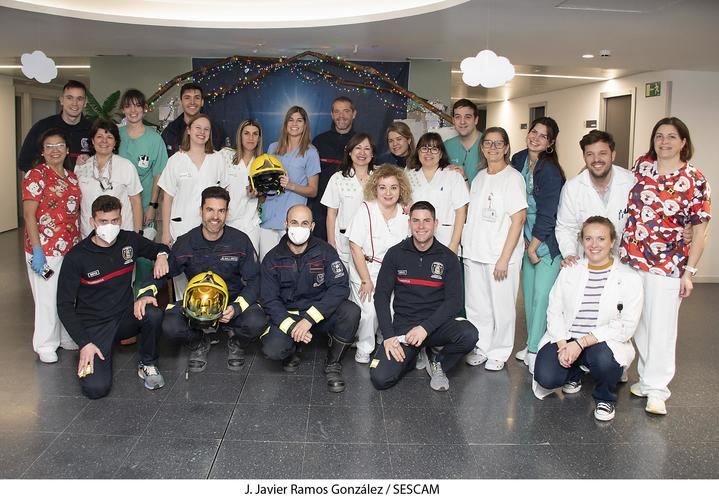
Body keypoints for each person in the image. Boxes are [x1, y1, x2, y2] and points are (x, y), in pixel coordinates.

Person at [620, 117, 711, 415]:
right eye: (659, 136)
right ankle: (646, 380)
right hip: (633, 258)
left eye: (672, 136)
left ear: (683, 142)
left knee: (662, 326)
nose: (664, 142)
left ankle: (658, 389)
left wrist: (690, 272)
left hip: (669, 263)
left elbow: (700, 231)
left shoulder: (695, 179)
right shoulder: (641, 167)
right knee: (640, 322)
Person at [57, 195, 170, 399]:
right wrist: (84, 342)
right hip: (94, 327)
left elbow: (159, 248)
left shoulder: (129, 241)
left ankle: (148, 364)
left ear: (121, 219)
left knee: (153, 313)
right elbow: (64, 306)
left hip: (125, 316)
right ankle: (89, 353)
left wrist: (162, 257)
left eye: (114, 221)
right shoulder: (76, 257)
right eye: (103, 221)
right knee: (96, 389)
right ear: (92, 222)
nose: (110, 226)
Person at [142, 187, 266, 372]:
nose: (215, 216)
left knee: (257, 320)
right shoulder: (185, 242)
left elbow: (255, 280)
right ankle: (198, 342)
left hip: (231, 304)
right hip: (195, 307)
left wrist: (238, 307)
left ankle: (237, 342)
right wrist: (146, 292)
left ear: (227, 213)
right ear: (201, 211)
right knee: (169, 325)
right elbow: (163, 272)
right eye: (210, 210)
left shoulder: (240, 241)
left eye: (221, 210)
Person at [533, 217, 643, 422]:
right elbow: (554, 309)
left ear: (612, 242)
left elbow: (626, 326)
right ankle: (574, 373)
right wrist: (563, 345)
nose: (594, 245)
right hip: (568, 337)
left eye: (601, 238)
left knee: (604, 361)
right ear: (582, 241)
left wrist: (581, 343)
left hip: (601, 341)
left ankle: (605, 398)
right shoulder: (570, 271)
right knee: (546, 377)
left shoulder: (628, 277)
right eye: (588, 238)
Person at [370, 201, 478, 392]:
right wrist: (388, 336)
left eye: (426, 221)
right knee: (380, 378)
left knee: (469, 334)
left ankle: (439, 363)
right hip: (405, 327)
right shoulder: (395, 254)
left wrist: (425, 328)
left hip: (436, 326)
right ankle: (413, 355)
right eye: (416, 221)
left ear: (435, 224)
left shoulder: (448, 257)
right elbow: (381, 296)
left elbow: (454, 302)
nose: (421, 226)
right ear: (409, 223)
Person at [260, 205, 360, 393]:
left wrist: (310, 318)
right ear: (286, 224)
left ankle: (333, 363)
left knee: (351, 311)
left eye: (304, 223)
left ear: (312, 226)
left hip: (318, 314)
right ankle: (292, 348)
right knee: (273, 350)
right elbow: (269, 300)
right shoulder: (272, 258)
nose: (299, 228)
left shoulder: (325, 251)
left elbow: (339, 287)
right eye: (294, 223)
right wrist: (290, 326)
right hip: (289, 315)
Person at [463, 127, 527, 371]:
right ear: (482, 147)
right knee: (477, 306)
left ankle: (499, 352)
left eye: (498, 143)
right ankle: (482, 346)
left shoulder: (513, 178)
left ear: (507, 147)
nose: (492, 148)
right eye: (488, 143)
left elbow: (518, 220)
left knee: (502, 308)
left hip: (500, 257)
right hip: (474, 252)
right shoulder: (479, 177)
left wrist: (504, 258)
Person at [511, 117, 566, 373]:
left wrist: (533, 247)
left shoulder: (550, 170)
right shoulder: (519, 159)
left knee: (543, 298)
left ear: (551, 143)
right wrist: (521, 238)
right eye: (534, 132)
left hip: (545, 242)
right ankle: (532, 343)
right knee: (530, 297)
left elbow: (548, 214)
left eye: (543, 136)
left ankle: (536, 350)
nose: (536, 138)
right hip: (524, 236)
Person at [23, 128, 82, 363]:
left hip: (70, 247)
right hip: (44, 250)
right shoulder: (36, 175)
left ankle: (66, 336)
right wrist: (37, 251)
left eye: (59, 146)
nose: (54, 150)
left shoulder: (71, 177)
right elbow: (29, 215)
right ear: (42, 151)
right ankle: (45, 343)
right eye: (49, 146)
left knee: (67, 295)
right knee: (47, 297)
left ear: (67, 150)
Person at [346, 165, 411, 363]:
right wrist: (366, 279)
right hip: (366, 268)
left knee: (393, 310)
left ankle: (386, 340)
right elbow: (354, 245)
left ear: (401, 189)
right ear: (375, 189)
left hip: (393, 272)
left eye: (393, 187)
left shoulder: (405, 213)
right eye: (382, 187)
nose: (388, 192)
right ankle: (364, 347)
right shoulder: (366, 209)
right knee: (370, 312)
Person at [118, 89, 169, 301]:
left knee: (143, 261)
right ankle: (121, 310)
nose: (133, 110)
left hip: (147, 207)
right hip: (120, 208)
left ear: (144, 109)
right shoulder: (116, 137)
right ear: (123, 109)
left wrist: (152, 205)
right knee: (120, 262)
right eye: (128, 106)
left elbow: (158, 174)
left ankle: (143, 306)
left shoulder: (154, 138)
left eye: (137, 105)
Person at [556, 130, 635, 264]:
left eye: (602, 153)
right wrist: (570, 254)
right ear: (584, 157)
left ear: (613, 155)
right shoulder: (572, 187)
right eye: (590, 154)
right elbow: (566, 227)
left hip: (625, 262)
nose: (596, 159)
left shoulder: (631, 182)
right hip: (587, 261)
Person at [259, 106, 320, 260]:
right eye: (291, 119)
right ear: (285, 123)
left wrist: (291, 185)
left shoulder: (311, 152)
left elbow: (313, 190)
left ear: (305, 125)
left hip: (292, 221)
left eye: (299, 120)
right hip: (268, 217)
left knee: (289, 267)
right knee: (265, 263)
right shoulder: (273, 147)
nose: (294, 123)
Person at [158, 113, 227, 247]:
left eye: (206, 129)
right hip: (181, 228)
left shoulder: (218, 159)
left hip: (211, 229)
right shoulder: (175, 160)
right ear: (188, 130)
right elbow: (167, 199)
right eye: (198, 128)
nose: (202, 132)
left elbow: (224, 194)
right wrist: (165, 232)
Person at [75, 119, 143, 238]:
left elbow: (136, 201)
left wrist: (137, 235)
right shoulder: (82, 167)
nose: (104, 141)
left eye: (109, 137)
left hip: (121, 234)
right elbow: (77, 203)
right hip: (89, 234)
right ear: (92, 140)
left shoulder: (126, 166)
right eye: (99, 136)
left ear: (116, 142)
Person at [321, 132, 376, 271]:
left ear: (372, 154)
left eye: (367, 148)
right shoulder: (338, 178)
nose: (362, 152)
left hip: (372, 241)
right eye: (358, 148)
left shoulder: (379, 178)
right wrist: (331, 244)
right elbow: (331, 214)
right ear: (350, 152)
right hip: (344, 241)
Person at [406, 132, 469, 253]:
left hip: (446, 240)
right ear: (418, 152)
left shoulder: (453, 176)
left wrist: (454, 243)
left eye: (434, 149)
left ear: (441, 154)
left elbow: (461, 212)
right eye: (424, 148)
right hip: (416, 240)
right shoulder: (409, 177)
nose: (428, 153)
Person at [18, 80, 92, 172]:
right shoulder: (43, 127)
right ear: (61, 100)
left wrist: (91, 162)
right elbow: (24, 162)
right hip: (49, 184)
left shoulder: (93, 130)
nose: (74, 103)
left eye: (79, 99)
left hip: (84, 185)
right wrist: (45, 178)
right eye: (69, 98)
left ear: (85, 102)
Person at [311, 96, 357, 240]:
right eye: (337, 112)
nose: (341, 116)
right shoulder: (319, 141)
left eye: (346, 111)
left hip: (351, 208)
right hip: (321, 210)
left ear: (354, 114)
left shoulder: (360, 142)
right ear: (331, 114)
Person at [219, 119, 262, 250]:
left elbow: (265, 197)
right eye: (246, 133)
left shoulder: (261, 162)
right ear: (240, 135)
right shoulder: (226, 155)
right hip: (227, 222)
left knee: (250, 266)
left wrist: (257, 194)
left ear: (259, 138)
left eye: (255, 134)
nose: (251, 138)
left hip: (251, 224)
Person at [161, 82, 225, 154]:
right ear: (181, 101)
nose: (192, 102)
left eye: (197, 98)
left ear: (202, 102)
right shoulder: (171, 131)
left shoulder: (215, 129)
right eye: (187, 98)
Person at [443, 99, 482, 183]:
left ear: (476, 120)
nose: (462, 121)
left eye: (467, 117)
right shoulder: (446, 146)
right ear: (453, 120)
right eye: (458, 117)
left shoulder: (487, 144)